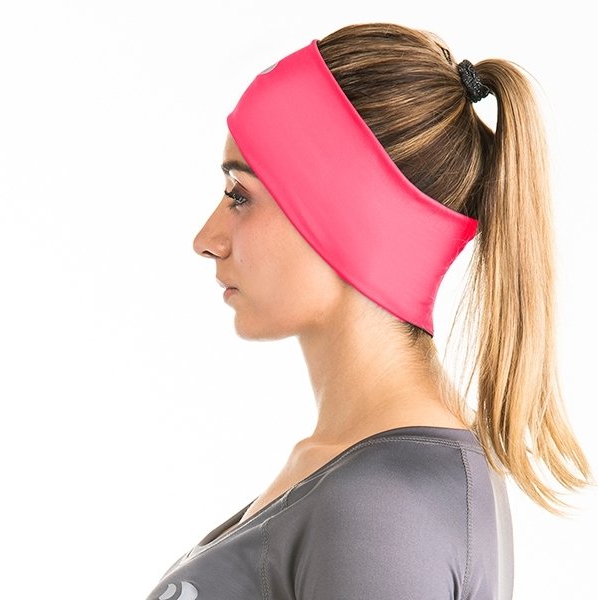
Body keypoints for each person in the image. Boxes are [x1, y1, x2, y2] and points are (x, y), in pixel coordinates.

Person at [144, 22, 593, 600]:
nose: (206, 239)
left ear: (349, 220)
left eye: (240, 196)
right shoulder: (355, 477)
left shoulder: (381, 509)